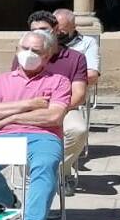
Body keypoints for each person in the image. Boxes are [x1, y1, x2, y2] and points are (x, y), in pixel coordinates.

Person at [0, 28, 71, 220]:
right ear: (17, 50)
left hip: (44, 135)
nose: (28, 53)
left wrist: (12, 116)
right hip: (5, 136)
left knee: (45, 167)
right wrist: (29, 104)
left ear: (46, 56)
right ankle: (8, 203)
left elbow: (54, 116)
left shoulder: (59, 81)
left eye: (35, 50)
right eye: (25, 48)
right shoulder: (0, 80)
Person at [26, 11, 89, 196]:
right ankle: (50, 171)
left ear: (55, 30)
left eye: (44, 29)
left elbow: (78, 95)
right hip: (33, 108)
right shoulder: (25, 56)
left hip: (65, 107)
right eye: (34, 30)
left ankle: (57, 169)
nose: (39, 34)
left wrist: (56, 108)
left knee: (78, 130)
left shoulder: (75, 58)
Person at [55, 7, 100, 86]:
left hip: (74, 89)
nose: (58, 34)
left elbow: (91, 76)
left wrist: (61, 86)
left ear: (73, 27)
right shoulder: (45, 42)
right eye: (55, 30)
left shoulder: (87, 42)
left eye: (62, 32)